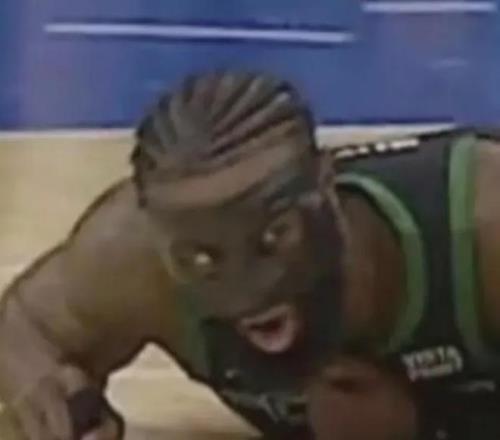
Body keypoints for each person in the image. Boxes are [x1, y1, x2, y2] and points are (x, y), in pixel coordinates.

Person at [2, 71, 500, 440]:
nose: (247, 287)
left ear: (326, 188)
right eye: (203, 257)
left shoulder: (482, 229)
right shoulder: (133, 258)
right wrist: (47, 399)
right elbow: (28, 325)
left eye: (273, 236)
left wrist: (430, 425)